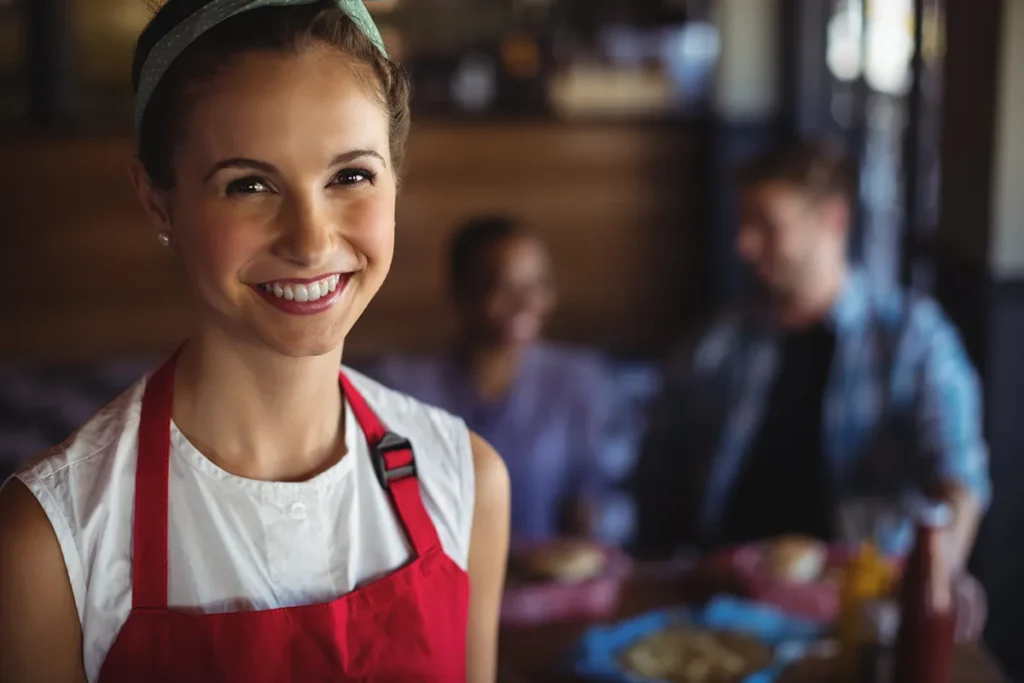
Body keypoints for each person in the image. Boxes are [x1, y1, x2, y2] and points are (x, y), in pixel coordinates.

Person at [0, 2, 510, 682]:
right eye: (248, 184)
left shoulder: (466, 479)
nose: (309, 240)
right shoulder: (49, 542)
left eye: (350, 175)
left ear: (395, 179)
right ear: (159, 202)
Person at [631, 139, 990, 575]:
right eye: (743, 223)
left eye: (765, 224)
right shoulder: (716, 343)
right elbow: (653, 480)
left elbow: (958, 479)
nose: (744, 244)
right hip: (722, 592)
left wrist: (937, 580)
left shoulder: (912, 339)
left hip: (855, 598)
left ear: (832, 220)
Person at [369, 216, 611, 544]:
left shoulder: (575, 381)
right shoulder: (404, 388)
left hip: (546, 583)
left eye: (536, 285)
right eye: (502, 286)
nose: (526, 303)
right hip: (442, 581)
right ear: (460, 292)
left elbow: (587, 506)